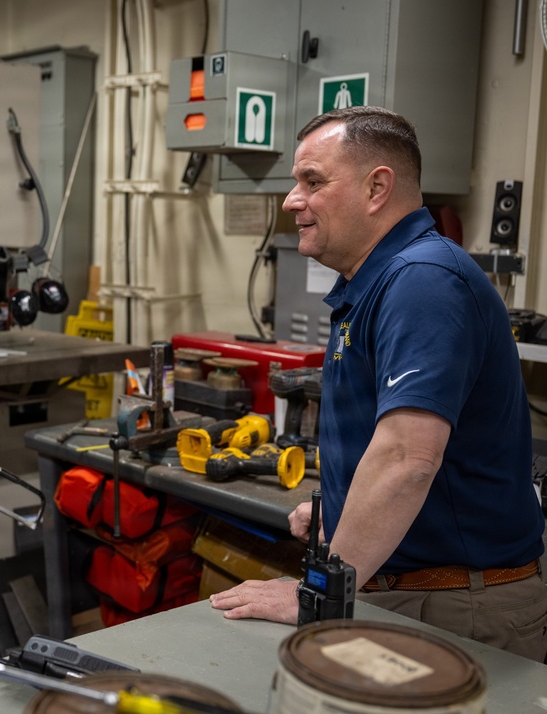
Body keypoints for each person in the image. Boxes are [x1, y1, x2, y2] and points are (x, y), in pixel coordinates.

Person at [210, 106, 547, 662]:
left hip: (455, 607)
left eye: (312, 181)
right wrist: (343, 515)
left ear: (377, 188)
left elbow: (406, 459)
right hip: (410, 592)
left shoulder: (423, 282)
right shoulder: (376, 284)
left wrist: (315, 595)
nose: (293, 200)